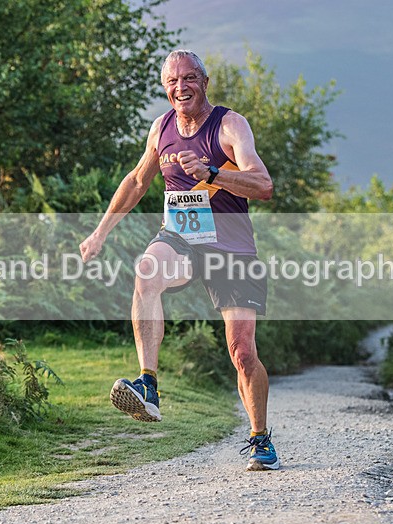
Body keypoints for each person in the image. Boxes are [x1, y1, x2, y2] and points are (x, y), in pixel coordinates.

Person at [79, 49, 278, 471]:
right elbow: (136, 181)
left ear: (204, 82)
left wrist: (212, 173)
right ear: (165, 87)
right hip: (183, 239)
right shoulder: (161, 128)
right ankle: (148, 385)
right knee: (146, 273)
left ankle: (260, 437)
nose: (180, 87)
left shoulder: (229, 125)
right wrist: (100, 232)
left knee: (242, 352)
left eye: (189, 79)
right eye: (172, 81)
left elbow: (262, 185)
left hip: (231, 248)